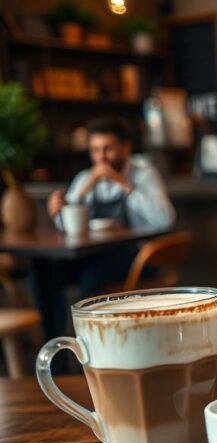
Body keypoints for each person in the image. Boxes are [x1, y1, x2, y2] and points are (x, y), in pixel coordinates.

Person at [38, 117, 175, 330]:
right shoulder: (85, 177)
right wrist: (60, 209)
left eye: (107, 149)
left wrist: (124, 185)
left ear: (126, 148)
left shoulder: (144, 174)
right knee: (43, 273)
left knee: (91, 277)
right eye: (94, 150)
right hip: (93, 254)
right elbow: (67, 227)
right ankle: (56, 356)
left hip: (136, 258)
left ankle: (94, 347)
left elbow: (165, 219)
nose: (101, 158)